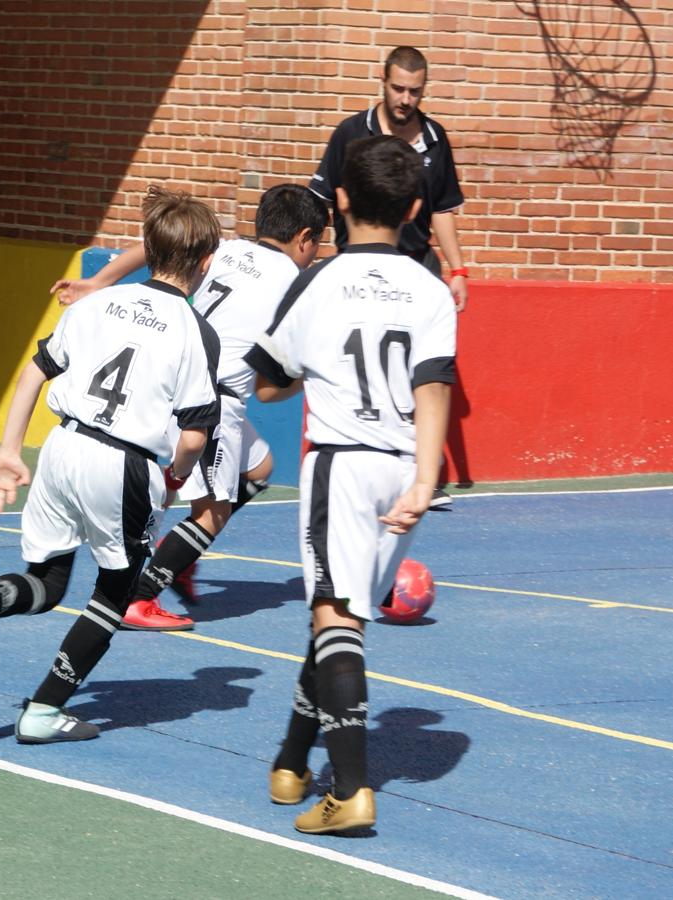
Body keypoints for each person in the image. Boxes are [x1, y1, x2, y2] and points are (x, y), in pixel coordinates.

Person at [0, 186, 221, 744]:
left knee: (47, 582)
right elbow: (195, 436)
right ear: (203, 264)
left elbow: (35, 370)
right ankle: (45, 710)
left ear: (148, 248)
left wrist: (7, 451)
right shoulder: (197, 331)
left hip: (62, 446)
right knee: (116, 592)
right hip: (123, 463)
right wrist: (172, 479)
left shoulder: (96, 302)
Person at [245, 135, 457, 834]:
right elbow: (434, 386)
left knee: (332, 619)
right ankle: (289, 762)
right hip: (403, 469)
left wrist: (310, 367)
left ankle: (352, 792)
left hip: (340, 460)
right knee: (342, 619)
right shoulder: (430, 289)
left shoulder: (317, 281)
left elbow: (268, 383)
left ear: (337, 200)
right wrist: (425, 479)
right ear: (415, 207)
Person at [51, 184, 329, 631]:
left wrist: (97, 281)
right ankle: (139, 598)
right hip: (213, 399)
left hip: (171, 382)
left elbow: (152, 243)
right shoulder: (296, 285)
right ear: (304, 238)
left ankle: (181, 552)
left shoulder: (222, 247)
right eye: (316, 246)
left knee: (259, 469)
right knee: (211, 513)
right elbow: (269, 385)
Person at [310, 45, 465, 509]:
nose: (405, 99)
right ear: (383, 81)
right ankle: (354, 463)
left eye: (414, 91)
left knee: (422, 370)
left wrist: (457, 268)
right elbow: (322, 200)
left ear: (424, 91)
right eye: (398, 88)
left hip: (417, 267)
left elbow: (441, 211)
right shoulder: (351, 133)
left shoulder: (435, 140)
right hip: (358, 265)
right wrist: (317, 260)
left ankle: (422, 476)